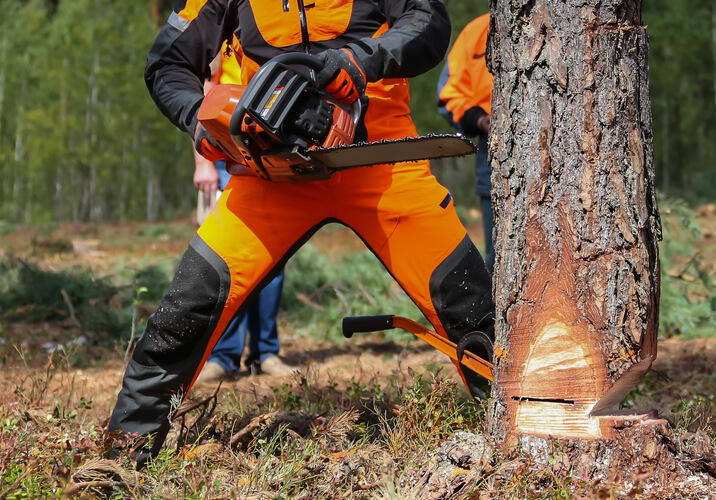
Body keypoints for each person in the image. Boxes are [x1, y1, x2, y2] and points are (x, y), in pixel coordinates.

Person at [108, 0, 494, 466]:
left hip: (379, 157)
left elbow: (428, 21)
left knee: (468, 302)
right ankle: (120, 461)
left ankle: (532, 435)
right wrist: (199, 119)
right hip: (270, 170)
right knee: (184, 313)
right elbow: (168, 63)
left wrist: (360, 60)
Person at [192, 50, 293, 383]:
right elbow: (205, 96)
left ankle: (266, 352)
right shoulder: (223, 18)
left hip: (274, 148)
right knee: (231, 256)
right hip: (228, 152)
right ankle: (224, 355)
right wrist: (204, 163)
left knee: (273, 256)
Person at [437, 13, 494, 269]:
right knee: (500, 257)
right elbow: (450, 94)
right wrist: (481, 120)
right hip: (495, 151)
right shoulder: (477, 32)